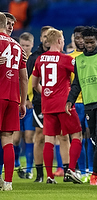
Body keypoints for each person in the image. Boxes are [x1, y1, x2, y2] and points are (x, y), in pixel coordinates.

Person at [32, 28, 83, 184]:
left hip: (47, 104)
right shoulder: (66, 59)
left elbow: (34, 84)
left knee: (49, 139)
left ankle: (49, 176)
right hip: (64, 104)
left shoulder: (40, 59)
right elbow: (80, 75)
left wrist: (47, 93)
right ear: (60, 41)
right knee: (76, 136)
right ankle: (72, 171)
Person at [66, 26, 97, 186]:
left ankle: (94, 175)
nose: (88, 45)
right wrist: (70, 100)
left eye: (91, 42)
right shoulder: (79, 60)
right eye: (86, 42)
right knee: (94, 140)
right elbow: (76, 84)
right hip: (88, 104)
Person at [0, 12, 28, 190]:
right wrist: (23, 102)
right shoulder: (18, 47)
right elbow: (24, 78)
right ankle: (8, 183)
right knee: (7, 140)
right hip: (13, 98)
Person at [26, 25, 52, 182]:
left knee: (60, 137)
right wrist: (28, 98)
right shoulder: (34, 57)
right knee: (40, 136)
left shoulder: (60, 56)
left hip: (57, 102)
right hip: (39, 102)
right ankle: (40, 174)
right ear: (41, 38)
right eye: (44, 36)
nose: (47, 39)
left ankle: (60, 172)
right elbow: (28, 78)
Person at [68, 26, 92, 183]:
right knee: (78, 137)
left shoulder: (94, 56)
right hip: (75, 103)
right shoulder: (68, 57)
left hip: (91, 101)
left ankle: (91, 169)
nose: (79, 40)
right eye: (76, 37)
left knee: (92, 136)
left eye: (82, 38)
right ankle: (82, 170)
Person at [12, 32, 35, 179]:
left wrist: (30, 99)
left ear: (32, 45)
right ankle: (16, 163)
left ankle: (29, 168)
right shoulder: (14, 58)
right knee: (15, 138)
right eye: (23, 45)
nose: (25, 48)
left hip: (31, 105)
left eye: (27, 45)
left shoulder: (35, 60)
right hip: (15, 103)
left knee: (29, 136)